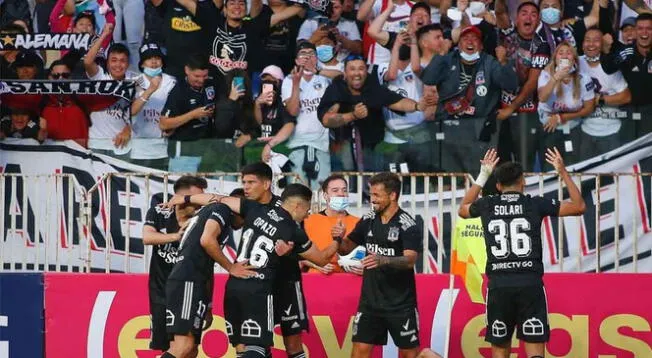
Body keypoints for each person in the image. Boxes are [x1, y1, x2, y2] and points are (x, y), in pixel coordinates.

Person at [458, 148, 586, 358]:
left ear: (498, 186)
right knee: (535, 351)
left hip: (499, 287)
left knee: (500, 349)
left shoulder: (487, 204)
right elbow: (579, 206)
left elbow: (463, 209)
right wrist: (562, 172)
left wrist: (483, 175)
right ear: (523, 182)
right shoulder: (534, 204)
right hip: (530, 285)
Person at [335, 172, 423, 358]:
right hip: (370, 303)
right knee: (359, 352)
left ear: (392, 196)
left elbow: (410, 260)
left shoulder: (407, 225)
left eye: (376, 195)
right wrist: (338, 238)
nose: (371, 200)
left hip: (400, 304)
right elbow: (345, 248)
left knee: (409, 354)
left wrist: (383, 260)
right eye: (371, 194)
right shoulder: (368, 219)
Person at [160, 191, 255, 358]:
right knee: (183, 347)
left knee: (190, 351)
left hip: (190, 280)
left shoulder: (212, 209)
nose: (246, 221)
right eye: (246, 214)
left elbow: (208, 264)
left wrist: (209, 305)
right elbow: (207, 240)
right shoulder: (222, 209)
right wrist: (231, 267)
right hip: (188, 280)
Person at [421, 26, 517, 174]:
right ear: (459, 45)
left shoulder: (489, 62)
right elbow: (428, 78)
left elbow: (510, 85)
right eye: (465, 39)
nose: (470, 42)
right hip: (449, 127)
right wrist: (441, 54)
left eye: (475, 39)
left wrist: (503, 61)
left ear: (481, 45)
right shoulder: (448, 60)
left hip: (479, 130)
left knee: (479, 173)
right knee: (451, 174)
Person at [317, 55, 434, 172]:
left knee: (373, 179)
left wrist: (417, 106)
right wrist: (353, 115)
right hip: (344, 144)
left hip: (373, 145)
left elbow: (397, 101)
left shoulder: (372, 88)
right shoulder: (337, 89)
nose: (357, 73)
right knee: (349, 180)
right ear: (345, 73)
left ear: (366, 72)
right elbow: (326, 120)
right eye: (352, 69)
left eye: (361, 68)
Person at [142, 175, 207, 353]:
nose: (200, 204)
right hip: (161, 291)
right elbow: (147, 237)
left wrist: (208, 305)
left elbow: (207, 265)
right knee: (168, 347)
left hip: (191, 292)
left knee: (191, 347)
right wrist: (176, 237)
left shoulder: (203, 220)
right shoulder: (159, 211)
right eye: (194, 199)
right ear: (180, 199)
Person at [495, 0, 551, 171]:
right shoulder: (507, 34)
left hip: (527, 114)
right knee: (500, 161)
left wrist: (511, 108)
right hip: (500, 109)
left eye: (534, 14)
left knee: (523, 163)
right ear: (516, 18)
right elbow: (499, 12)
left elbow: (532, 82)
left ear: (539, 21)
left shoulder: (542, 45)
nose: (529, 17)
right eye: (524, 13)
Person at [537, 41, 595, 169]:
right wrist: (556, 77)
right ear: (555, 58)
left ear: (574, 59)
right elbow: (542, 97)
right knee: (550, 167)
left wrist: (561, 118)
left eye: (568, 53)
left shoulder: (583, 78)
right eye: (560, 53)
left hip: (572, 127)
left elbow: (589, 108)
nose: (564, 56)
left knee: (572, 165)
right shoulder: (546, 75)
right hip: (548, 127)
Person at [282, 42, 333, 190]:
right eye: (303, 54)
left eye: (311, 54)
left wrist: (317, 71)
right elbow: (292, 111)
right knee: (298, 192)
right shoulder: (288, 81)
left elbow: (342, 76)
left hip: (322, 144)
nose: (308, 57)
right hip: (296, 144)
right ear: (297, 60)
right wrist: (296, 83)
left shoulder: (324, 78)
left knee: (322, 192)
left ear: (317, 58)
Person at [84, 23, 139, 156]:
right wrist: (104, 35)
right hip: (96, 145)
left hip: (122, 147)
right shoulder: (100, 77)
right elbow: (87, 62)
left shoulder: (135, 81)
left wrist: (129, 129)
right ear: (107, 62)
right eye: (114, 60)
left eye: (122, 61)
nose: (118, 65)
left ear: (128, 63)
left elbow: (140, 112)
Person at [578, 27, 631, 160]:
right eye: (587, 40)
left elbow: (626, 96)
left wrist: (599, 100)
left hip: (611, 132)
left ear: (603, 44)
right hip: (584, 131)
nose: (591, 44)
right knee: (584, 178)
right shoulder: (576, 63)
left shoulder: (610, 65)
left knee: (612, 178)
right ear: (582, 43)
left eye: (596, 40)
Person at [159, 54, 216, 172]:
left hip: (209, 152)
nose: (201, 80)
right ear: (187, 70)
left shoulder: (211, 84)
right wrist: (193, 115)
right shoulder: (178, 91)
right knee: (185, 189)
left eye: (204, 76)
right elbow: (163, 123)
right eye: (197, 76)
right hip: (184, 154)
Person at [601, 13, 652, 135]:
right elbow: (608, 68)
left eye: (649, 28)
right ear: (636, 31)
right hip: (628, 112)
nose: (644, 33)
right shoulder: (627, 52)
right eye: (640, 28)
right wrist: (605, 50)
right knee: (628, 150)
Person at [304, 174, 363, 275]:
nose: (341, 194)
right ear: (325, 195)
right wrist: (316, 264)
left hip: (350, 282)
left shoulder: (359, 223)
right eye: (335, 190)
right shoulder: (309, 221)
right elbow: (297, 256)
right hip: (316, 280)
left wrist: (365, 269)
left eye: (344, 190)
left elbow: (370, 255)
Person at [130, 43, 177, 170]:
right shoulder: (134, 82)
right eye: (149, 58)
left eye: (157, 58)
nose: (154, 61)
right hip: (139, 149)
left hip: (163, 149)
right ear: (142, 63)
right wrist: (150, 89)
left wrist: (173, 127)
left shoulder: (172, 82)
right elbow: (131, 111)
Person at [297, 0, 362, 62]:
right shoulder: (310, 22)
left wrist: (341, 38)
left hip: (343, 65)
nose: (332, 11)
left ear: (342, 8)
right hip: (315, 64)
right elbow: (298, 51)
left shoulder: (350, 24)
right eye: (328, 7)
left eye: (336, 7)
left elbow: (359, 50)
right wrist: (313, 38)